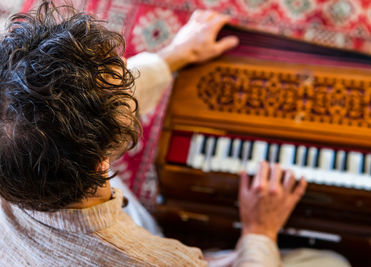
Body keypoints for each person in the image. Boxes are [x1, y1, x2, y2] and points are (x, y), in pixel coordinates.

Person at [0, 2, 350, 266]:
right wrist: (260, 231)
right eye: (123, 76)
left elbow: (53, 112)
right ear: (100, 161)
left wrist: (171, 57)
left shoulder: (17, 144)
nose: (127, 70)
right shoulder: (159, 261)